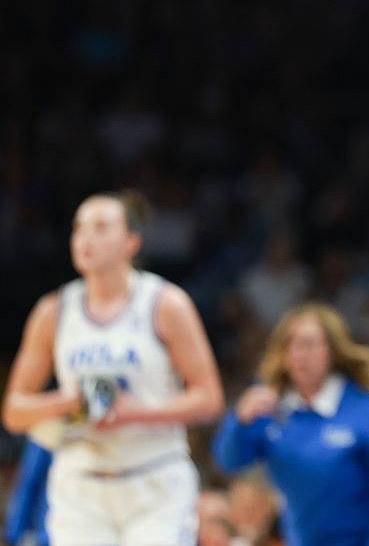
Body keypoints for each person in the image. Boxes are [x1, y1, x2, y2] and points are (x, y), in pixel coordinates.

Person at [1, 189, 225, 546]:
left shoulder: (166, 304)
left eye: (101, 227)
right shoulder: (53, 311)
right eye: (79, 228)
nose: (85, 238)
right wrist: (66, 401)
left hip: (154, 480)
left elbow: (209, 398)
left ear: (131, 242)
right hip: (81, 485)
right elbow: (14, 411)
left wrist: (135, 413)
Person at [211, 301, 369, 546]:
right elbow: (229, 462)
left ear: (332, 350)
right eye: (290, 344)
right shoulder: (271, 407)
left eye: (308, 344)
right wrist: (239, 421)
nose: (299, 354)